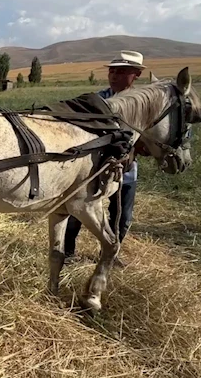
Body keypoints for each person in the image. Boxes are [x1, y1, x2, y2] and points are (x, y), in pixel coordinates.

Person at [64, 50, 145, 266]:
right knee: (77, 211)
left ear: (136, 74)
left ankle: (109, 255)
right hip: (93, 169)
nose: (114, 75)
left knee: (122, 217)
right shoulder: (97, 101)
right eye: (112, 71)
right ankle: (67, 252)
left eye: (121, 71)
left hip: (125, 173)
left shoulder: (143, 105)